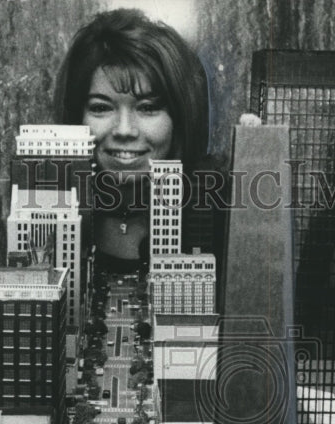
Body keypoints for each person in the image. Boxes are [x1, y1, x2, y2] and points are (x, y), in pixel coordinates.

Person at [54, 8, 224, 276]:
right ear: (76, 117)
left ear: (178, 119)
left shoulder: (216, 214)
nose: (124, 130)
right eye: (101, 108)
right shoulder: (50, 215)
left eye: (147, 108)